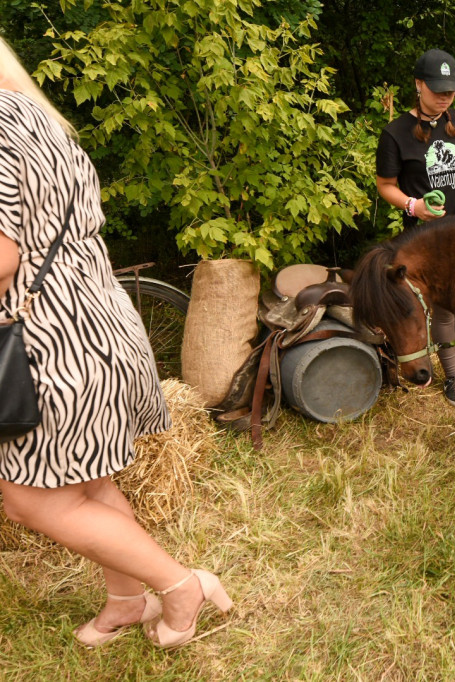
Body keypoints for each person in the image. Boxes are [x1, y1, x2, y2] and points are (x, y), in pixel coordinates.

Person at [0, 37, 231, 649]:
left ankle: (182, 587)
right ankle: (127, 599)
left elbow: (2, 257)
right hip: (96, 324)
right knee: (86, 485)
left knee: (32, 502)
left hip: (48, 343)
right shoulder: (37, 118)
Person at [375, 48, 455, 408]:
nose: (444, 97)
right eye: (437, 89)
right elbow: (385, 185)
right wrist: (414, 206)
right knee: (442, 308)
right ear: (418, 84)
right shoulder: (395, 134)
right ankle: (453, 377)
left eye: (450, 91)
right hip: (426, 241)